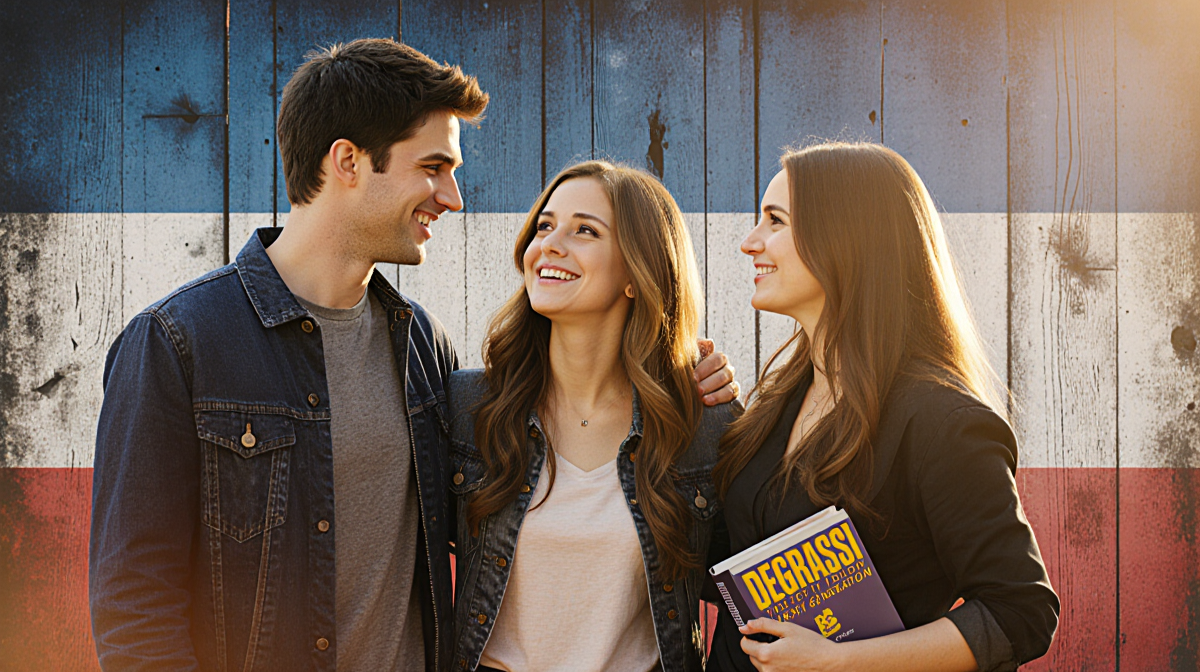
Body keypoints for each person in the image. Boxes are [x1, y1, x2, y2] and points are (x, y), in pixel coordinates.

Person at [89, 39, 737, 672]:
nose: (452, 197)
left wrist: (683, 380)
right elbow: (134, 605)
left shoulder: (423, 350)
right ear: (347, 161)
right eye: (433, 167)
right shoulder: (177, 342)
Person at [706, 142, 1058, 672]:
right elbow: (723, 569)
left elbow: (1022, 612)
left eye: (775, 221)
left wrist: (838, 662)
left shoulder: (942, 424)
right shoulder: (775, 404)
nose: (749, 242)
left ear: (847, 237)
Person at [445, 161, 738, 672]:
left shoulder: (700, 427)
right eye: (544, 226)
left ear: (636, 271)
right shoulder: (468, 408)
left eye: (585, 230)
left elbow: (757, 593)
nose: (550, 245)